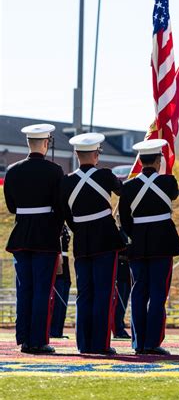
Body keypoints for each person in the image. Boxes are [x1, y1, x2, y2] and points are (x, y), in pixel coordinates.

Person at [62, 133, 125, 355]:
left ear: (76, 155)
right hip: (106, 240)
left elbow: (65, 213)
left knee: (84, 293)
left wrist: (78, 226)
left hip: (82, 242)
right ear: (96, 154)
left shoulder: (67, 181)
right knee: (104, 293)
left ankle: (84, 344)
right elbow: (123, 192)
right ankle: (101, 343)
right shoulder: (106, 176)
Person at [118, 139, 179, 355]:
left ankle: (138, 342)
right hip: (163, 243)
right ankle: (153, 342)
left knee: (138, 293)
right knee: (158, 294)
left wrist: (136, 235)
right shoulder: (168, 182)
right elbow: (172, 195)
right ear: (157, 160)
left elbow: (125, 220)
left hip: (138, 244)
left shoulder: (127, 187)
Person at [4, 123, 63, 354]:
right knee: (41, 291)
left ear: (28, 143)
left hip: (21, 236)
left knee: (24, 290)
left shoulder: (13, 170)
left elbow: (11, 207)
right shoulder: (55, 171)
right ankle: (38, 340)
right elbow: (59, 208)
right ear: (46, 143)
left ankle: (24, 338)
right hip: (45, 238)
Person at [50, 225, 72, 338]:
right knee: (57, 299)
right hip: (57, 258)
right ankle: (52, 330)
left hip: (65, 261)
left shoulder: (64, 226)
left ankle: (58, 330)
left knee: (63, 298)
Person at [112, 252, 132, 340]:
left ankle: (120, 327)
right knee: (119, 304)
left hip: (128, 268)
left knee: (123, 303)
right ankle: (117, 329)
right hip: (119, 268)